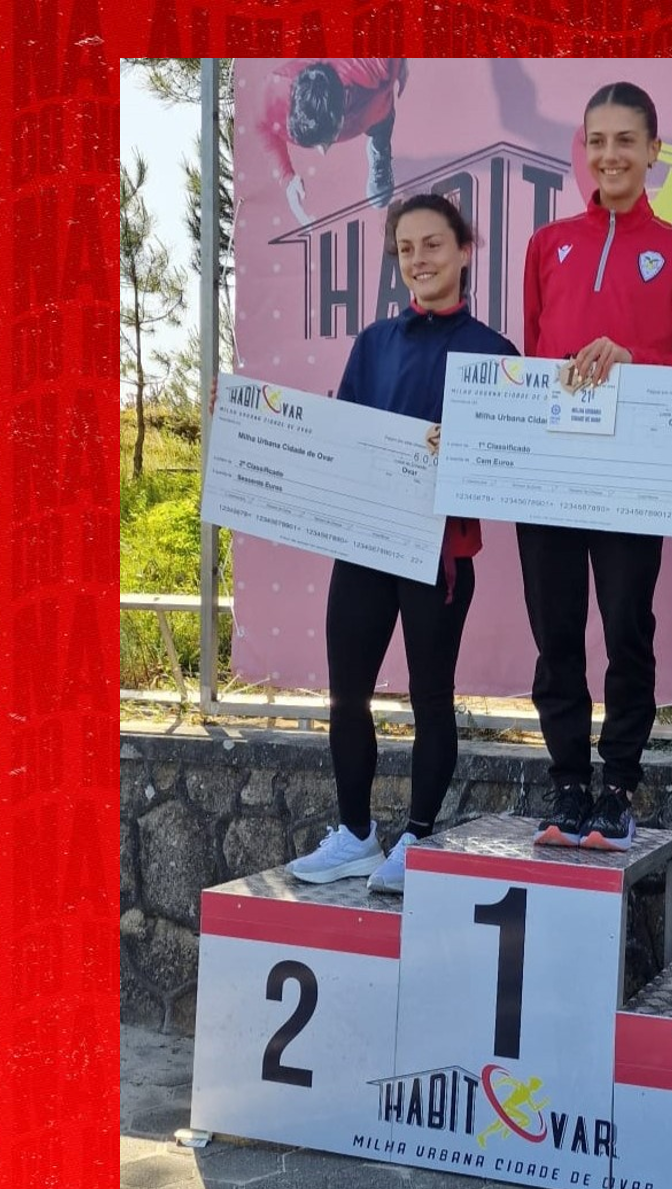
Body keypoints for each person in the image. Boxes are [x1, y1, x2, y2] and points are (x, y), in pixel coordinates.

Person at [286, 194, 518, 892]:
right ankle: (356, 833)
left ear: (465, 251)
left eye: (433, 245)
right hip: (363, 545)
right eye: (406, 249)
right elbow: (342, 438)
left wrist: (464, 453)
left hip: (436, 556)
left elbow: (506, 473)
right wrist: (256, 425)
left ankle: (416, 836)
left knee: (430, 698)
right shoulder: (374, 342)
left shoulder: (496, 355)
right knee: (347, 696)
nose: (419, 260)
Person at [519, 81, 672, 852]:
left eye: (626, 141)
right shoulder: (547, 245)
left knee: (627, 630)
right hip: (549, 476)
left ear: (653, 151)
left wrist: (634, 360)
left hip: (634, 480)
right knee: (555, 633)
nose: (610, 155)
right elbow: (535, 358)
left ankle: (619, 785)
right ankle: (568, 782)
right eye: (597, 140)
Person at [255, 58, 409, 223]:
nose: (322, 152)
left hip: (375, 107)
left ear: (340, 117)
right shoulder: (273, 95)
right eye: (316, 144)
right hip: (360, 102)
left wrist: (400, 67)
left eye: (325, 141)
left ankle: (379, 149)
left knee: (381, 124)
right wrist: (287, 177)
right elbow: (263, 129)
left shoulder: (372, 66)